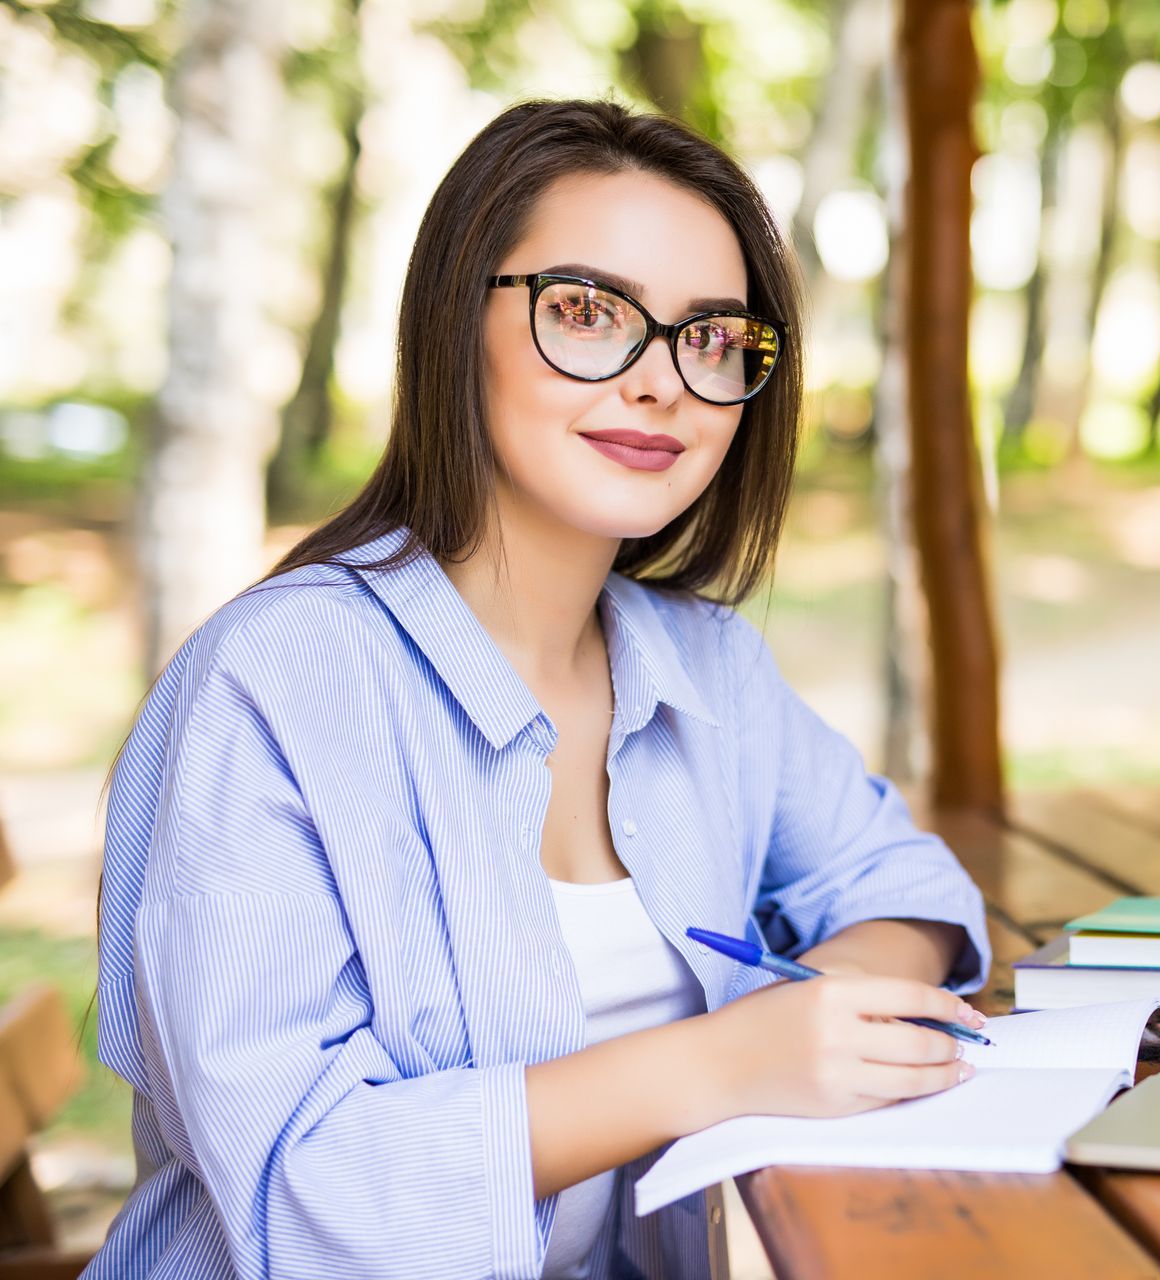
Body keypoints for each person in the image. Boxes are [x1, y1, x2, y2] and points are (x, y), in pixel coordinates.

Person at [86, 99, 992, 1280]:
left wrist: (818, 1022)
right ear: (459, 319)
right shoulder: (274, 681)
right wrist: (722, 1060)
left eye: (712, 338)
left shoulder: (706, 663)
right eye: (587, 310)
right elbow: (303, 1183)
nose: (663, 380)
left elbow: (909, 887)